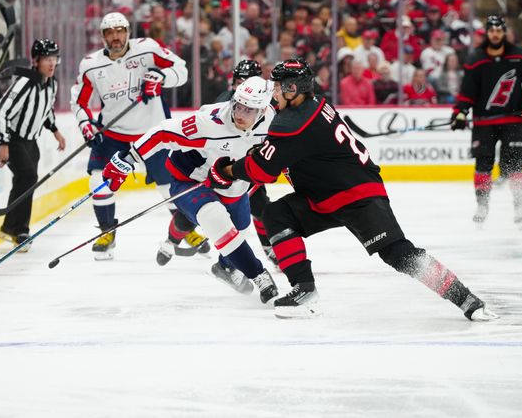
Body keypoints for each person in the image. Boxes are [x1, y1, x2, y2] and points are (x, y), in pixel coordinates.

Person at [206, 58, 499, 321]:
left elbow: (262, 171)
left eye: (279, 88)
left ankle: (466, 299)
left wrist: (226, 170)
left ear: (294, 90)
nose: (275, 93)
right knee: (276, 214)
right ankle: (304, 290)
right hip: (325, 195)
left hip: (358, 196)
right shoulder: (315, 103)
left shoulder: (294, 124)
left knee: (398, 254)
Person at [102, 77, 279, 303]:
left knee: (241, 229)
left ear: (263, 110)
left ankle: (226, 268)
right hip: (190, 179)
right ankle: (258, 274)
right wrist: (129, 158)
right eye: (238, 106)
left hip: (233, 184)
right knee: (215, 219)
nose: (240, 114)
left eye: (249, 110)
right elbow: (162, 133)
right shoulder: (209, 122)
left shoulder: (272, 121)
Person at [69, 12, 188, 260]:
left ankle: (184, 230)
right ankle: (106, 232)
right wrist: (85, 123)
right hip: (113, 133)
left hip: (152, 132)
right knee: (98, 181)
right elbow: (79, 101)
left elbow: (182, 69)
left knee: (168, 185)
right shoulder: (91, 65)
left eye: (120, 30)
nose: (116, 37)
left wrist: (162, 79)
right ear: (103, 36)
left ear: (128, 32)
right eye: (110, 32)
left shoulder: (148, 49)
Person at [450, 16, 522, 228]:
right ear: (487, 33)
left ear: (504, 33)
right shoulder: (476, 58)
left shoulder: (520, 56)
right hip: (484, 122)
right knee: (483, 164)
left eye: (499, 30)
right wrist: (460, 113)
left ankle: (520, 205)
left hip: (513, 120)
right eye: (492, 30)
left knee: (515, 163)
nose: (495, 34)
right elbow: (467, 93)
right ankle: (482, 205)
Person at [0, 39, 66, 251]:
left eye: (54, 59)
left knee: (26, 181)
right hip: (13, 138)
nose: (52, 64)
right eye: (46, 59)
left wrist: (55, 131)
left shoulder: (52, 83)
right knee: (28, 177)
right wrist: (3, 143)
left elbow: (46, 110)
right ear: (36, 61)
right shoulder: (25, 83)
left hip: (30, 140)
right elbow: (2, 111)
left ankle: (11, 227)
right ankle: (19, 230)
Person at [215, 59, 276, 266]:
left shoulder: (269, 108)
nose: (242, 87)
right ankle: (173, 239)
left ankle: (268, 247)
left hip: (250, 170)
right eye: (238, 81)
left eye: (246, 81)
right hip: (225, 171)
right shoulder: (222, 104)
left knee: (261, 210)